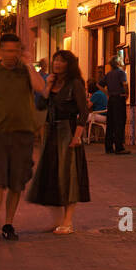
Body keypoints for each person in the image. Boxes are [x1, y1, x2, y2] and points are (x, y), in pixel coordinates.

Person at [0, 33, 44, 240]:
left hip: (23, 135)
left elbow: (40, 88)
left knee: (16, 182)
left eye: (15, 51)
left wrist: (29, 64)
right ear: (0, 51)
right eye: (7, 50)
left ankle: (8, 223)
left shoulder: (25, 71)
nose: (11, 55)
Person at [29, 49, 91, 234]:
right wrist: (47, 87)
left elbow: (84, 112)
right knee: (51, 175)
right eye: (55, 60)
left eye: (61, 61)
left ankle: (68, 221)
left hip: (68, 131)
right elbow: (40, 105)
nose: (56, 63)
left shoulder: (75, 84)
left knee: (68, 176)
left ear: (68, 64)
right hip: (51, 131)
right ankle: (58, 220)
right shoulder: (52, 81)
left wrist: (77, 136)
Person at [99, 55, 129, 155]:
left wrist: (107, 93)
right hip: (119, 99)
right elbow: (124, 84)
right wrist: (126, 94)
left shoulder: (108, 74)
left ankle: (108, 147)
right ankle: (119, 147)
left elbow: (99, 84)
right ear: (118, 63)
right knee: (119, 122)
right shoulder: (121, 73)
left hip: (111, 99)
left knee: (110, 122)